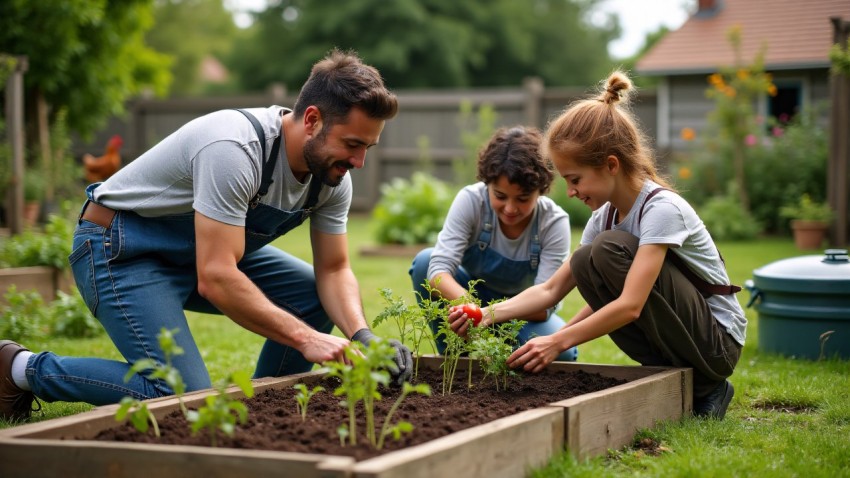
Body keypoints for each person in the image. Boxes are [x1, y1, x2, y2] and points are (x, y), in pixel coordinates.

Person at [0, 49, 413, 422]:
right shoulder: (236, 148)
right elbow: (216, 276)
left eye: (368, 149)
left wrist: (363, 336)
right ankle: (18, 367)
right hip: (119, 248)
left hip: (199, 250)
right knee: (180, 396)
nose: (359, 161)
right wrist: (306, 338)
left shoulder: (331, 177)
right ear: (312, 120)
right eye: (353, 144)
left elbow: (335, 268)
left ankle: (265, 411)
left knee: (309, 293)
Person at [449, 71, 745, 420]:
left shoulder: (662, 209)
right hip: (682, 337)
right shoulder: (604, 217)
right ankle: (676, 378)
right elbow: (550, 290)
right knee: (588, 261)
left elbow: (631, 305)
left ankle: (708, 385)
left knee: (603, 251)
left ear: (611, 165)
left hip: (717, 344)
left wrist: (559, 341)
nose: (571, 192)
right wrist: (487, 314)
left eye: (575, 180)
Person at [410, 126, 578, 361]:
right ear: (487, 184)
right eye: (500, 196)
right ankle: (456, 356)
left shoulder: (553, 222)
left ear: (541, 190)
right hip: (470, 297)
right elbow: (438, 272)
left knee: (564, 354)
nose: (510, 208)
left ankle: (502, 362)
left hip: (524, 313)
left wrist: (492, 315)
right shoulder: (471, 201)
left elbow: (544, 306)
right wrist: (471, 310)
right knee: (424, 262)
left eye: (522, 199)